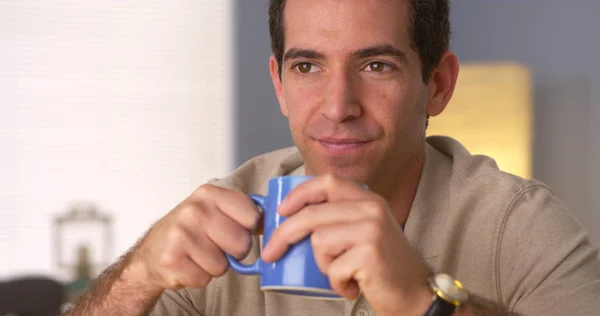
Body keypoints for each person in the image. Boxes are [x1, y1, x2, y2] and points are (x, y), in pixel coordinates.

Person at [66, 0, 600, 315]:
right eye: (307, 67)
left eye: (376, 66)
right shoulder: (226, 216)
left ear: (437, 85)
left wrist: (423, 303)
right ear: (279, 84)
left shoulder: (522, 226)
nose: (338, 107)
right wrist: (137, 277)